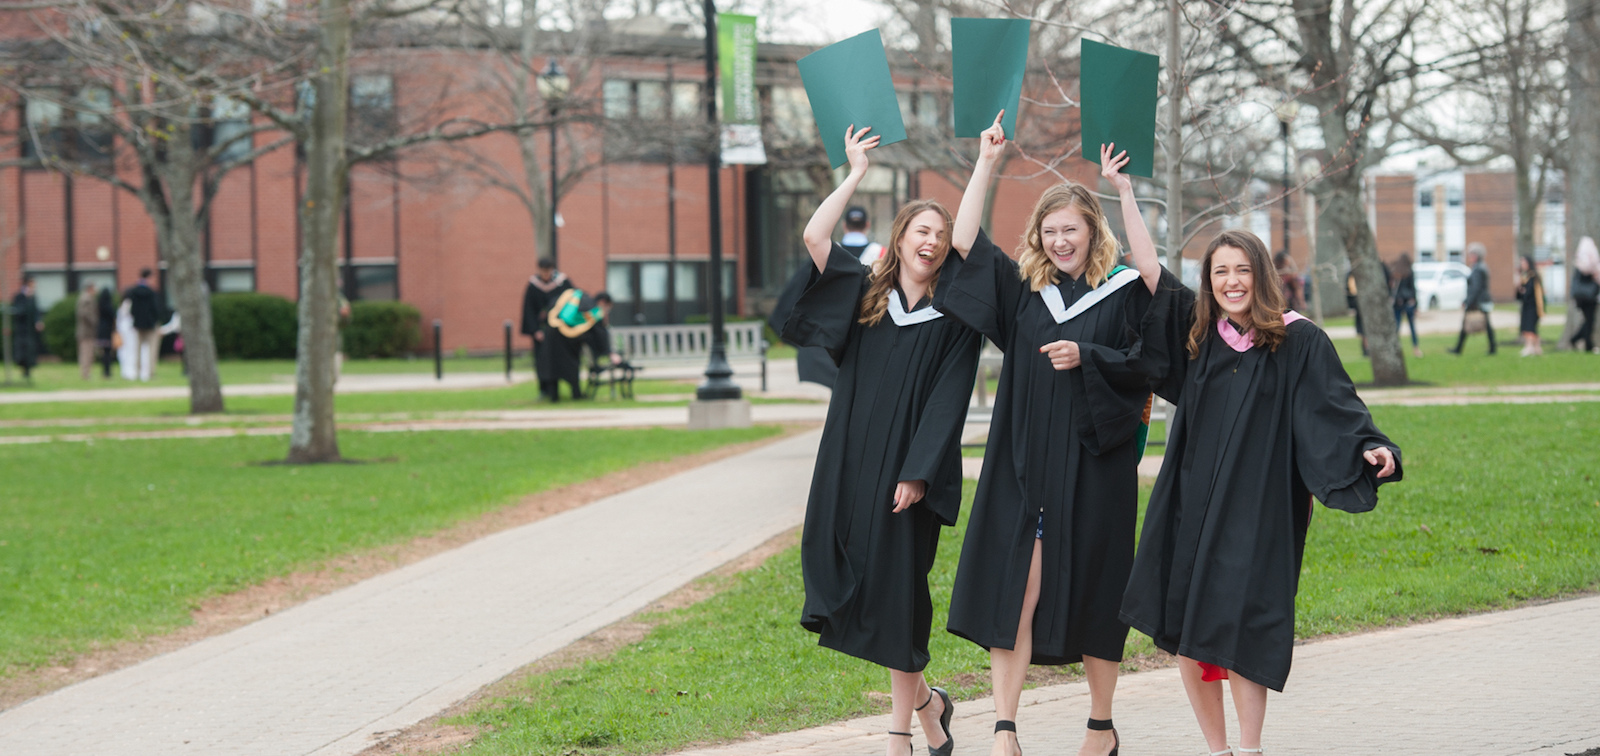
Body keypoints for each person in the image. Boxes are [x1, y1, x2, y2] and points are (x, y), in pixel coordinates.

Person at [1119, 227, 1402, 756]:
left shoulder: (1299, 341)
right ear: (1209, 280)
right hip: (1192, 505)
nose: (1231, 281)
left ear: (1261, 276)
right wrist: (1125, 189)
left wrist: (1373, 447)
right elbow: (1152, 273)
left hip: (1258, 510)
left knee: (1241, 632)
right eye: (1220, 271)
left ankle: (1249, 750)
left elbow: (1337, 408)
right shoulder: (1199, 337)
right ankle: (1217, 751)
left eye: (1242, 270)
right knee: (1183, 628)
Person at [944, 118, 1155, 756]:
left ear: (1092, 232)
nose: (1060, 240)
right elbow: (962, 241)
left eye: (1071, 229)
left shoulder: (1120, 294)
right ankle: (1005, 729)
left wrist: (1090, 356)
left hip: (1097, 467)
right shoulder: (1024, 293)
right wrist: (985, 161)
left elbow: (1152, 308)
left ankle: (1100, 725)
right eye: (1050, 230)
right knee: (1018, 592)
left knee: (1095, 591)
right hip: (1024, 466)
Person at [784, 125, 978, 756]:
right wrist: (856, 173)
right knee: (854, 582)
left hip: (906, 473)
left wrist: (919, 471)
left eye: (942, 235)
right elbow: (816, 237)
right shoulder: (867, 296)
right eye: (921, 230)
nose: (931, 241)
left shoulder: (954, 321)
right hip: (848, 461)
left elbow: (949, 400)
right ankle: (929, 705)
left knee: (897, 593)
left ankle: (898, 734)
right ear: (900, 239)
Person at [544, 287, 616, 400]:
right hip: (569, 342)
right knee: (572, 366)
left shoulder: (574, 296)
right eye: (608, 309)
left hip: (552, 335)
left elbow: (551, 308)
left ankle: (553, 396)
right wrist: (608, 352)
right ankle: (576, 394)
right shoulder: (594, 309)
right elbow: (600, 333)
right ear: (603, 302)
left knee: (554, 367)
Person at [521, 258, 571, 401]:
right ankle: (544, 390)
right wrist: (535, 330)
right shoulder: (533, 286)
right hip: (542, 332)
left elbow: (571, 303)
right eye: (543, 271)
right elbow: (528, 310)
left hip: (559, 332)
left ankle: (568, 388)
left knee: (561, 360)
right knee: (541, 361)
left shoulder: (563, 283)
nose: (545, 275)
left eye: (548, 271)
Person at [1448, 243, 1497, 355]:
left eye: (1471, 254)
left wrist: (1468, 302)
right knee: (1486, 325)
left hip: (1478, 302)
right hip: (1481, 300)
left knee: (1475, 324)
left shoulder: (1478, 269)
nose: (1469, 256)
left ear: (1476, 255)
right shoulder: (1479, 267)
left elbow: (1475, 288)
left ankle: (1459, 349)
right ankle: (1492, 348)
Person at [123, 268, 163, 380]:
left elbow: (131, 309)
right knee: (152, 349)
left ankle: (137, 371)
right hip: (151, 324)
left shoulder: (133, 291)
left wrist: (136, 319)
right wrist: (155, 321)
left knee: (138, 349)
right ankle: (150, 372)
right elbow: (155, 309)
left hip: (138, 324)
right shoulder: (151, 292)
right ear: (149, 277)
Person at [10, 277, 43, 380]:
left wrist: (38, 321)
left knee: (30, 350)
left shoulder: (33, 297)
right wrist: (26, 299)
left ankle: (28, 371)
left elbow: (36, 311)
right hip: (21, 329)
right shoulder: (19, 297)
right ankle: (23, 368)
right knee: (21, 350)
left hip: (30, 330)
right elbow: (17, 311)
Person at [1569, 236, 1598, 354]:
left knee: (1588, 320)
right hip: (1589, 297)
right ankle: (1584, 343)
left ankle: (1584, 342)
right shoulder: (1590, 266)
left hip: (1581, 298)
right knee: (1589, 321)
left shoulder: (1578, 264)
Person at [1390, 253, 1422, 358]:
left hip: (1397, 303)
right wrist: (1416, 304)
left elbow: (1392, 288)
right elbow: (1413, 288)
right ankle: (1416, 348)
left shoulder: (1396, 272)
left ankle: (1394, 348)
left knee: (1397, 326)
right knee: (1412, 327)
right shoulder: (1409, 272)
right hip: (1408, 302)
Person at [1515, 255, 1545, 357]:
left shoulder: (1533, 276)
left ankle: (1530, 347)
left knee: (1530, 327)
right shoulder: (1524, 276)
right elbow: (1519, 295)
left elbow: (1531, 292)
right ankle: (1536, 348)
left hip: (1533, 306)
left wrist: (1523, 291)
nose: (1522, 264)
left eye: (1524, 262)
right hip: (1526, 306)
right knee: (1528, 327)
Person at [76, 282, 100, 380]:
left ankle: (87, 373)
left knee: (89, 353)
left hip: (87, 331)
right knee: (86, 353)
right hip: (86, 331)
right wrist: (94, 321)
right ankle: (85, 374)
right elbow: (84, 314)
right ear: (90, 288)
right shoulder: (86, 299)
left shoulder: (86, 298)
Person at [95, 284, 116, 378]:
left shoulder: (100, 305)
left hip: (101, 329)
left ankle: (104, 371)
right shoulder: (109, 306)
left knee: (104, 352)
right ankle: (107, 372)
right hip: (107, 330)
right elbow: (113, 316)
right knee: (107, 352)